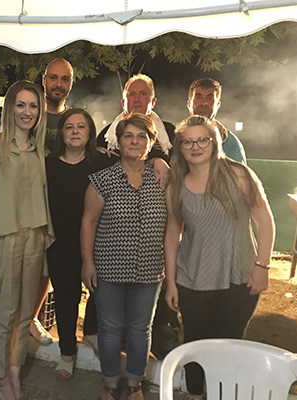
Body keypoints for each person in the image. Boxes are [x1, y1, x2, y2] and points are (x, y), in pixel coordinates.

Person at [164, 115, 275, 398]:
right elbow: (172, 234)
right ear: (180, 147)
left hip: (239, 277)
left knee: (231, 344)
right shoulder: (177, 185)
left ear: (214, 143)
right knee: (195, 342)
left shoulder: (239, 175)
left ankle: (222, 394)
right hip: (193, 278)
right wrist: (171, 283)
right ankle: (195, 393)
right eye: (188, 141)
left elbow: (265, 221)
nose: (195, 147)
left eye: (202, 140)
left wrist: (262, 266)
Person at [82, 113, 167, 400]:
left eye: (141, 136)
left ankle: (134, 384)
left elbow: (174, 225)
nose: (134, 141)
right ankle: (109, 382)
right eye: (128, 136)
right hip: (108, 269)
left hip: (149, 270)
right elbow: (88, 222)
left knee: (140, 330)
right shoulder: (102, 180)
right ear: (118, 141)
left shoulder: (163, 180)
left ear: (151, 142)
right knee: (109, 329)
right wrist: (87, 262)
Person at [0, 80, 55, 400]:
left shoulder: (41, 151)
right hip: (4, 237)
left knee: (26, 314)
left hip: (35, 236)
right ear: (10, 107)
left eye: (33, 105)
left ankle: (14, 370)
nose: (27, 112)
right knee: (3, 313)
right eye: (21, 105)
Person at [46, 108, 118, 379]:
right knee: (66, 300)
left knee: (101, 295)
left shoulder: (104, 163)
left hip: (98, 244)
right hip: (61, 245)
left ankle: (92, 332)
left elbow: (135, 160)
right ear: (62, 134)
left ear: (90, 134)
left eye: (81, 127)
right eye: (69, 127)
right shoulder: (48, 166)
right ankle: (67, 352)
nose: (75, 131)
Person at [30, 58, 75, 347]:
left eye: (65, 79)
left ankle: (32, 318)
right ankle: (20, 317)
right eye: (54, 78)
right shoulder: (31, 113)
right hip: (28, 201)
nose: (59, 84)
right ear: (44, 80)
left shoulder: (74, 119)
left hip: (59, 205)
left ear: (71, 84)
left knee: (48, 266)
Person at [96, 74, 175, 163]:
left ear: (153, 102)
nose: (137, 99)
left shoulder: (169, 132)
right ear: (123, 103)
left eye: (143, 94)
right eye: (132, 94)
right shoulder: (107, 136)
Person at [187, 77, 247, 164]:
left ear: (218, 105)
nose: (204, 103)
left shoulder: (229, 142)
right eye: (199, 97)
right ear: (189, 104)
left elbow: (239, 171)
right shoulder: (175, 137)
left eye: (209, 98)